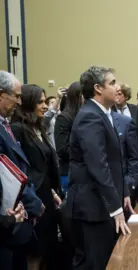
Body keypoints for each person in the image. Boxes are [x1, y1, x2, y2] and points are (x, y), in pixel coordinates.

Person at [66, 66, 132, 269]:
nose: (118, 86)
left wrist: (123, 193)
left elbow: (115, 161)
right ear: (98, 88)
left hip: (101, 204)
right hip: (92, 208)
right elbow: (98, 165)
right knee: (94, 264)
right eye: (112, 83)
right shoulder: (90, 116)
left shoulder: (103, 113)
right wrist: (115, 208)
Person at [10, 84, 62, 270]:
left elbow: (45, 166)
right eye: (40, 102)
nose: (45, 105)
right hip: (32, 197)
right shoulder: (18, 129)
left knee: (47, 250)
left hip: (46, 195)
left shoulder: (37, 128)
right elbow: (21, 167)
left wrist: (53, 192)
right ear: (29, 103)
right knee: (35, 252)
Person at [0, 71, 43, 270]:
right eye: (16, 96)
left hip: (16, 216)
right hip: (7, 218)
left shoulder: (5, 124)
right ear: (1, 94)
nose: (19, 101)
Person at [54, 82, 84, 194]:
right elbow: (62, 149)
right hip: (68, 173)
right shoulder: (64, 117)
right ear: (78, 96)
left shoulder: (83, 115)